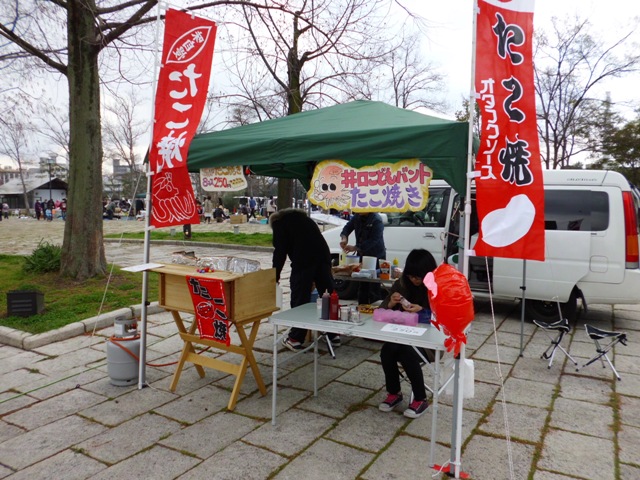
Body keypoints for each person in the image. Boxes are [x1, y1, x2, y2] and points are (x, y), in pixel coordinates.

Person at [377, 248, 437, 419]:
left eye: (418, 277)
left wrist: (422, 312)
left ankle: (420, 398)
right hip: (402, 335)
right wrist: (390, 303)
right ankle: (394, 393)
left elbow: (443, 318)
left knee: (406, 351)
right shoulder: (402, 284)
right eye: (411, 276)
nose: (414, 280)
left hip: (429, 342)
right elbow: (381, 310)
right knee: (387, 350)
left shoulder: (436, 287)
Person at [270, 208, 338, 351]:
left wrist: (274, 276)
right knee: (329, 295)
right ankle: (333, 333)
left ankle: (295, 338)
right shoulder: (307, 220)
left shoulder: (279, 223)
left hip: (303, 261)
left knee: (300, 298)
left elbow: (280, 252)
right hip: (323, 258)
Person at [339, 212, 386, 304]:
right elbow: (347, 227)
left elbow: (374, 240)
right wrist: (344, 238)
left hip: (376, 256)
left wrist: (355, 247)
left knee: (374, 286)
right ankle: (362, 308)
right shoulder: (357, 217)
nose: (358, 211)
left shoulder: (376, 220)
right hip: (362, 255)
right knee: (362, 284)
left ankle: (374, 310)